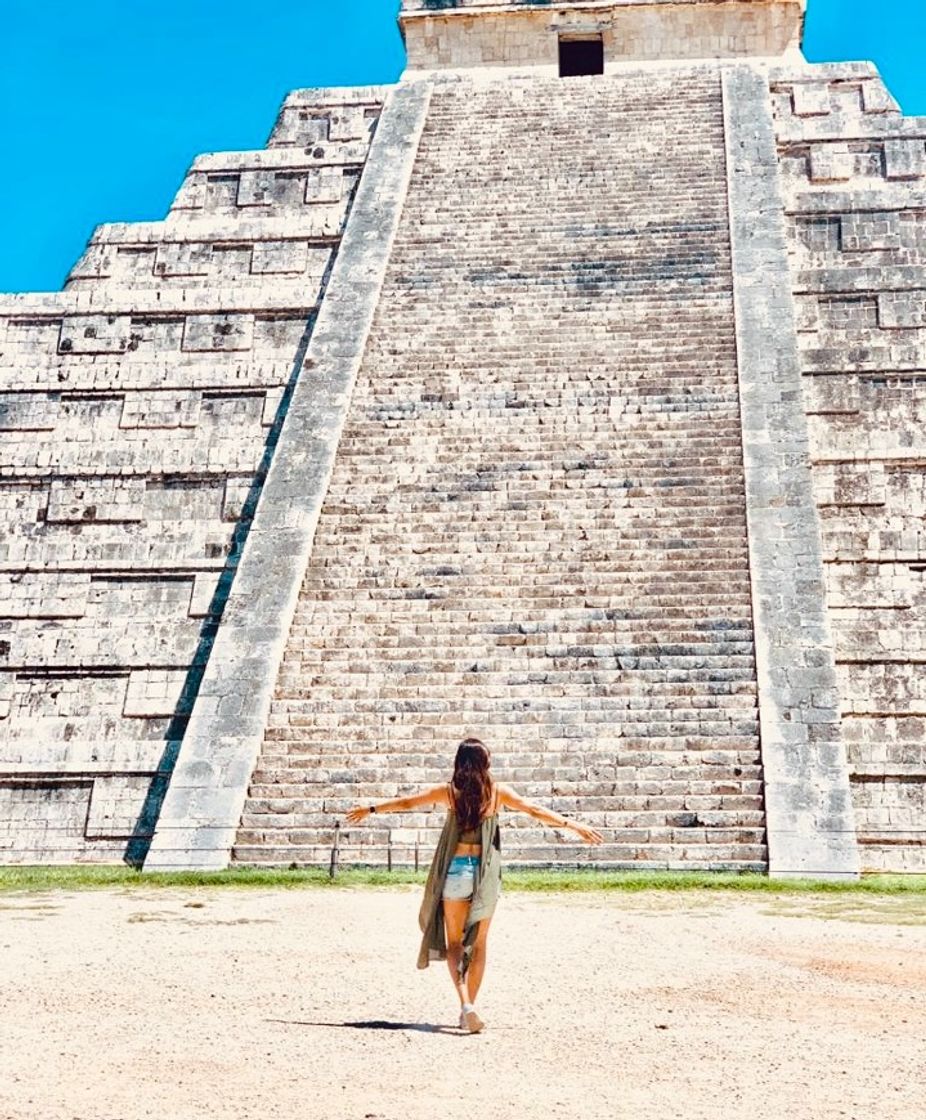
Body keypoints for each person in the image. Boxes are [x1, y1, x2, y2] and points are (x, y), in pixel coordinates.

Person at [346, 737, 603, 1034]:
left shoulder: (448, 792)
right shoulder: (497, 794)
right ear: (484, 764)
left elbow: (407, 802)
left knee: (454, 943)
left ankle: (466, 1004)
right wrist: (574, 826)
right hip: (484, 877)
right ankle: (467, 1010)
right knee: (479, 944)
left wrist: (371, 808)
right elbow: (534, 810)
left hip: (455, 872)